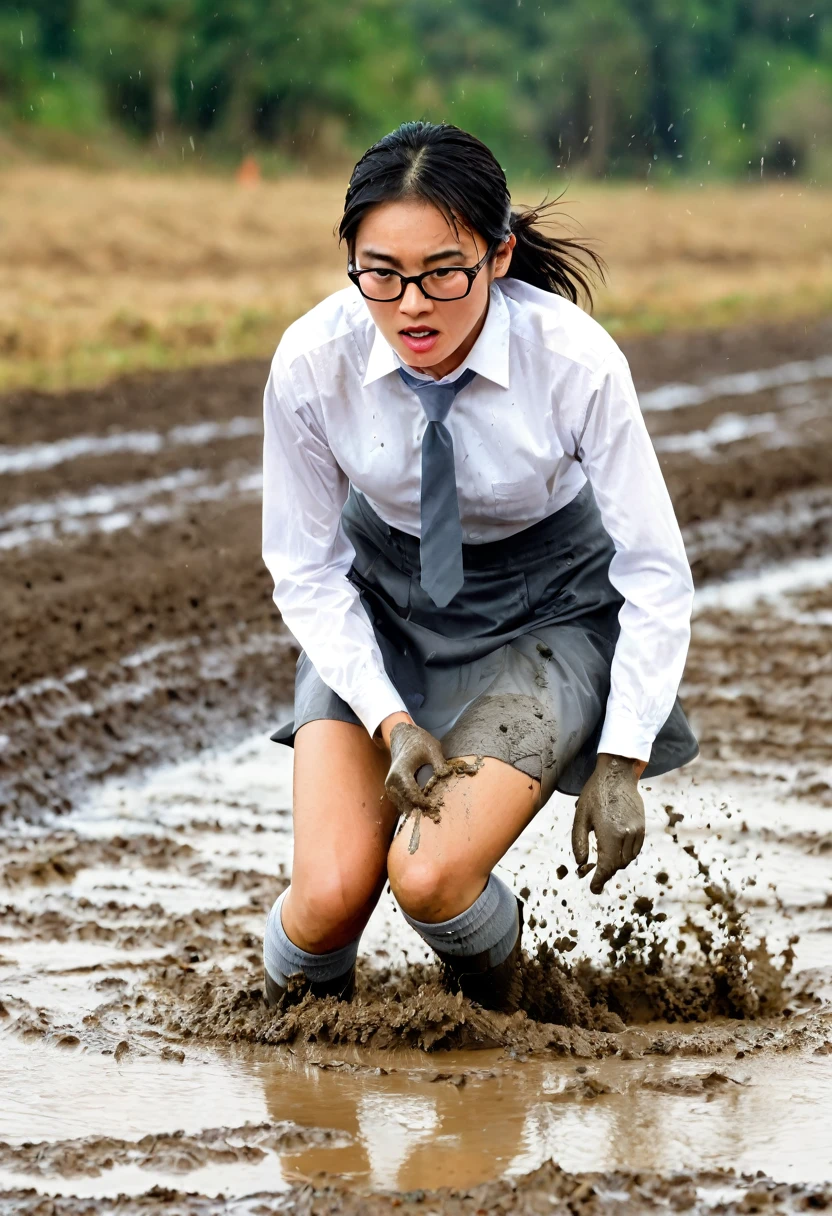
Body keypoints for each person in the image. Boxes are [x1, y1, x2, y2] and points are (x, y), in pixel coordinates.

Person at [261, 121, 698, 1014]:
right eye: (380, 272)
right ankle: (294, 1068)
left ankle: (502, 1031)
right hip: (384, 604)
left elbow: (656, 572)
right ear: (350, 260)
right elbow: (306, 569)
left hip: (548, 618)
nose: (411, 305)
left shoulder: (575, 362)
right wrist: (388, 719)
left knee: (428, 876)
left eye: (442, 272)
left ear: (498, 257)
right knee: (328, 899)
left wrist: (621, 758)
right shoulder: (312, 363)